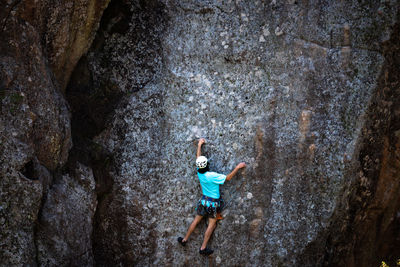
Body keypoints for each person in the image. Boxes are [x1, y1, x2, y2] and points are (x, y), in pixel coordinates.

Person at [177, 138, 246, 255]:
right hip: (213, 204)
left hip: (203, 201)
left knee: (196, 221)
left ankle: (184, 239)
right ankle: (203, 248)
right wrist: (237, 167)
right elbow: (228, 178)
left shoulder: (200, 173)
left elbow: (198, 159)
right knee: (211, 225)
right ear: (207, 164)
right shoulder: (212, 175)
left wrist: (199, 145)